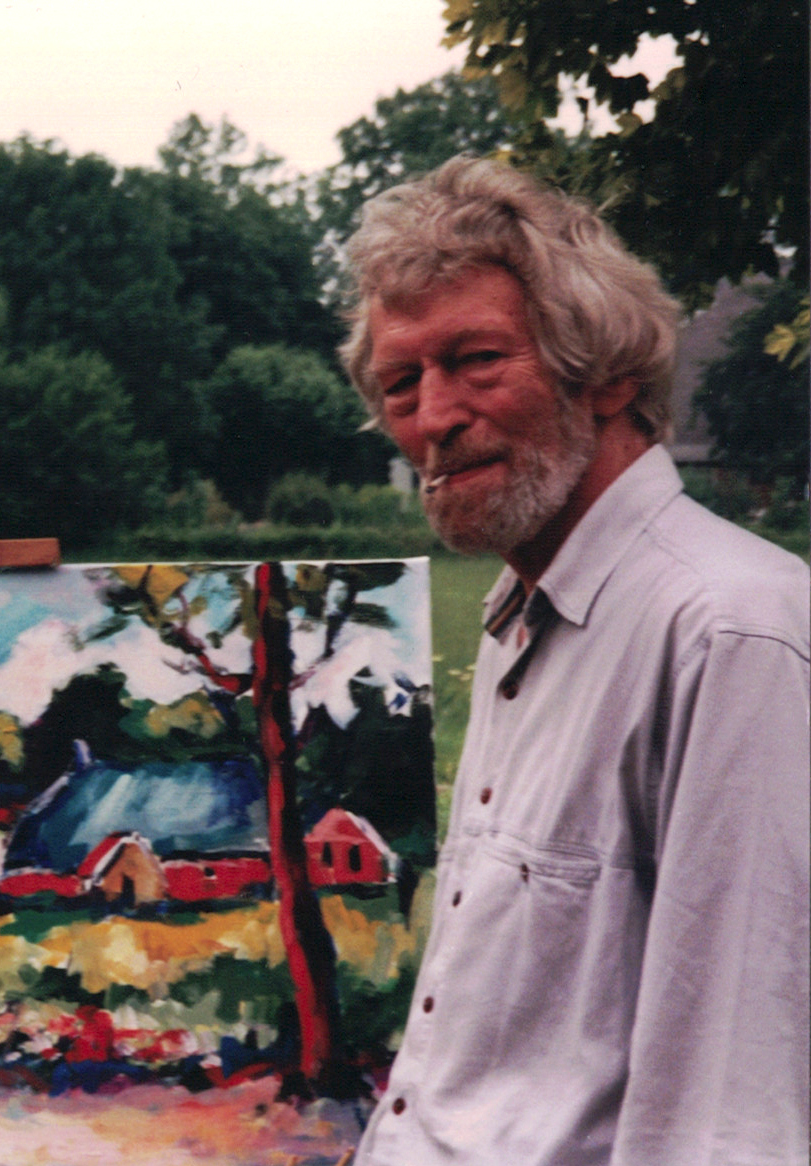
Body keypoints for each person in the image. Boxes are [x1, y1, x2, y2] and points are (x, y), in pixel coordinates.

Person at [336, 155, 810, 1165]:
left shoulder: (728, 630)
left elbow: (729, 1108)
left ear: (605, 374)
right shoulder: (527, 608)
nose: (433, 416)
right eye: (400, 381)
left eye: (475, 360)